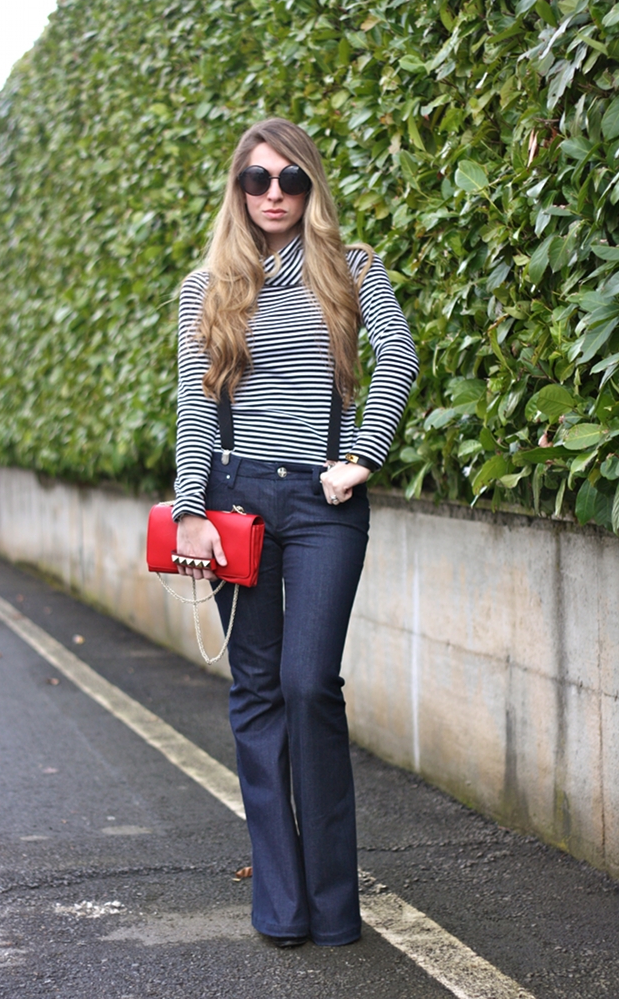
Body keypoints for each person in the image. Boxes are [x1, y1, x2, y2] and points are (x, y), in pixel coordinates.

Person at [172, 118, 418, 948]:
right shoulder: (206, 286)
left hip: (323, 505)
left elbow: (400, 356)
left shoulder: (353, 269)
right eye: (257, 179)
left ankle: (334, 904)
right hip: (236, 503)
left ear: (311, 187)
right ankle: (280, 903)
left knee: (309, 684)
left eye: (291, 179)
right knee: (256, 691)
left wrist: (363, 454)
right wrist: (190, 511)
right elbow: (195, 406)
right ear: (238, 189)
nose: (273, 194)